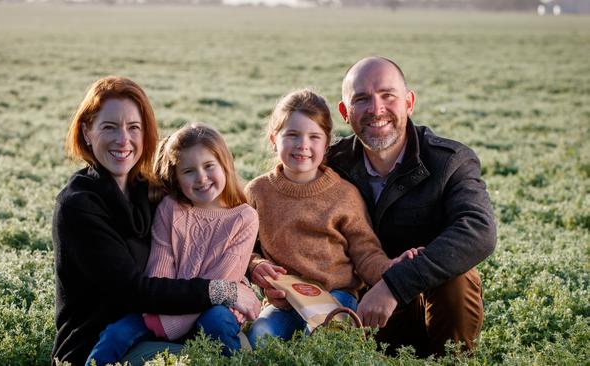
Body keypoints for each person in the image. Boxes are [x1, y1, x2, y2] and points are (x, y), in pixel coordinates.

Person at [52, 77, 260, 365]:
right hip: (103, 336)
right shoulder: (78, 206)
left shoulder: (150, 190)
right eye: (109, 127)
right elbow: (133, 290)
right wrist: (225, 290)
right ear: (87, 132)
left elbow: (219, 234)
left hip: (164, 322)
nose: (123, 139)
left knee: (231, 339)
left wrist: (256, 265)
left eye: (133, 128)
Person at [325, 57, 496, 357]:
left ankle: (451, 361)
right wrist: (260, 268)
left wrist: (393, 286)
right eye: (362, 99)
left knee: (459, 280)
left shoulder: (450, 161)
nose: (376, 109)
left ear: (409, 102)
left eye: (388, 96)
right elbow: (277, 201)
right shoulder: (330, 164)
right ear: (345, 113)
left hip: (431, 308)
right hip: (356, 311)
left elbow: (479, 231)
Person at [245, 89, 420, 348]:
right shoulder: (258, 192)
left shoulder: (344, 194)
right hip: (283, 300)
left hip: (336, 296)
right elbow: (243, 249)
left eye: (313, 137)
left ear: (326, 144)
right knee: (259, 337)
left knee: (319, 340)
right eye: (292, 135)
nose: (302, 145)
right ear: (274, 139)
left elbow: (365, 251)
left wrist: (389, 269)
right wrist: (256, 266)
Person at [85, 123, 259, 364]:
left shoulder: (244, 217)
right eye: (188, 171)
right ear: (176, 177)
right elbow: (159, 273)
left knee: (217, 321)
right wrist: (166, 318)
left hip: (210, 309)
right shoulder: (171, 209)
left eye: (209, 166)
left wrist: (169, 325)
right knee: (115, 334)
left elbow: (223, 282)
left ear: (225, 164)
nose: (201, 178)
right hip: (167, 309)